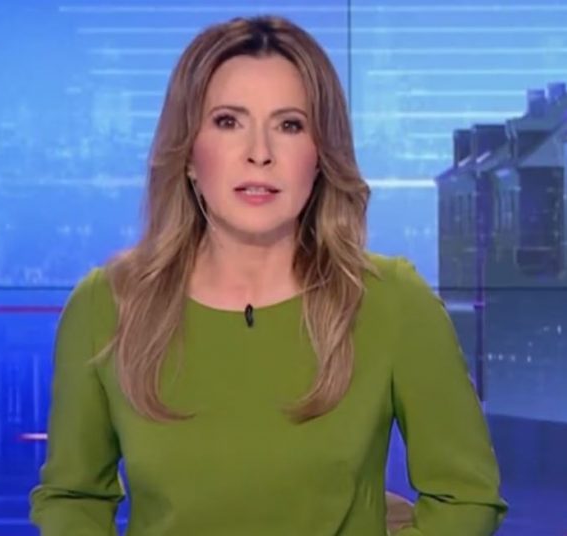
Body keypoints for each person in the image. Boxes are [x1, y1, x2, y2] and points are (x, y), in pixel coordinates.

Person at [29, 15, 507, 536]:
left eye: (289, 125)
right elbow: (73, 497)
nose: (260, 153)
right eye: (228, 122)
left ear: (320, 156)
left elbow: (466, 497)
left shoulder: (391, 302)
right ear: (188, 154)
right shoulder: (106, 305)